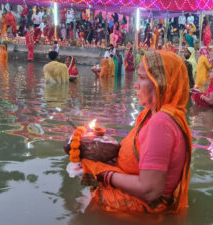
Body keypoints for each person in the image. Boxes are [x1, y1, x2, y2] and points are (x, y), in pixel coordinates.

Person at [75, 50, 192, 214]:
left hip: (139, 212)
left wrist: (103, 174)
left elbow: (150, 190)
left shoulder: (161, 123)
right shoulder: (151, 114)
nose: (135, 84)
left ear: (162, 83)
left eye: (142, 78)